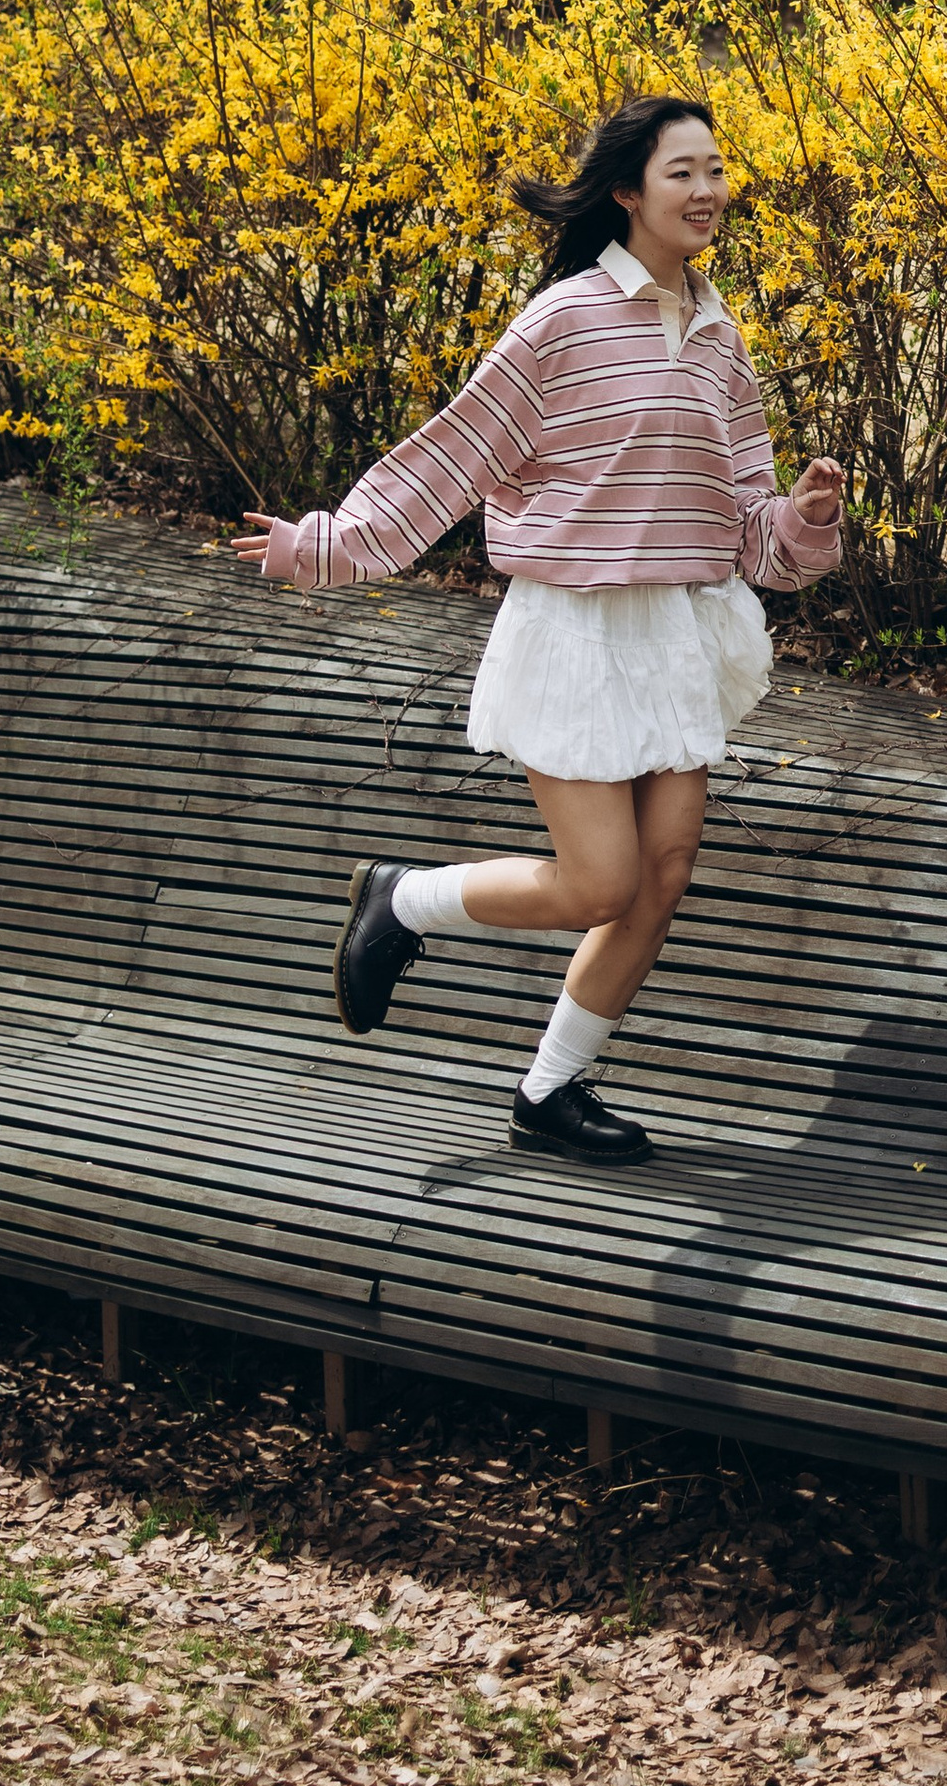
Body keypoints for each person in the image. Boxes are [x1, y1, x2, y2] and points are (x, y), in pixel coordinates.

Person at [232, 95, 845, 1164]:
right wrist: (323, 545)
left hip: (678, 629)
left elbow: (747, 522)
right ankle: (403, 898)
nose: (707, 193)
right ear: (626, 191)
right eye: (682, 174)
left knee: (659, 880)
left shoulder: (716, 332)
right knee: (599, 881)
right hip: (574, 629)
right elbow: (454, 456)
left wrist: (805, 518)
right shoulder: (560, 322)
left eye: (716, 171)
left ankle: (551, 1090)